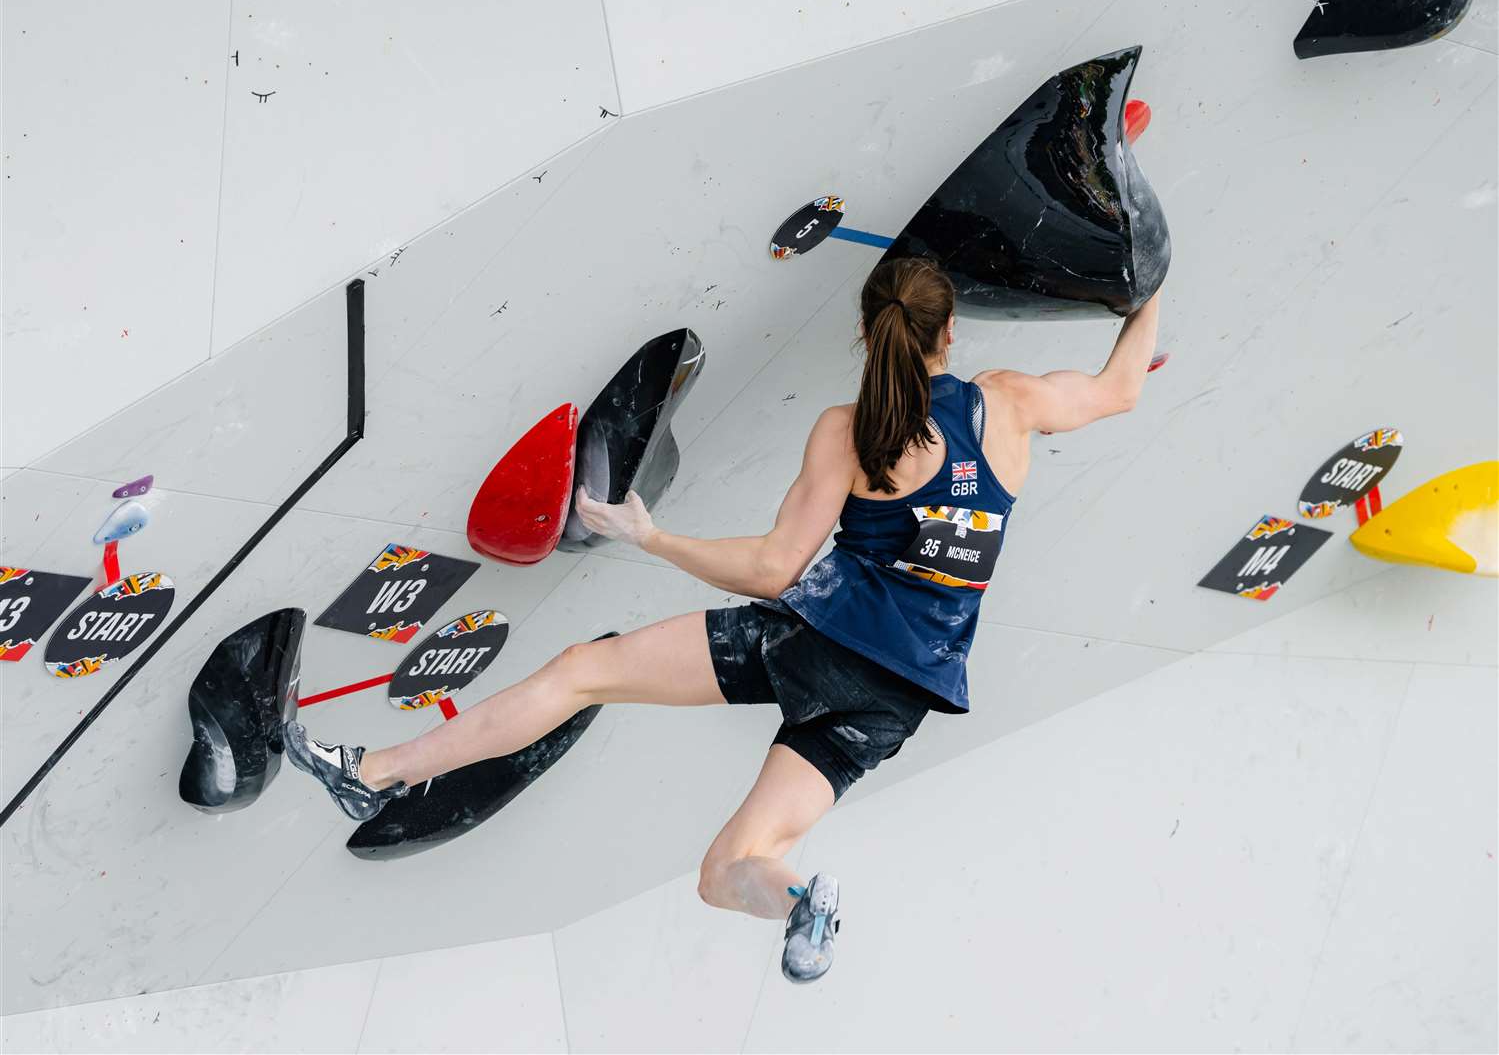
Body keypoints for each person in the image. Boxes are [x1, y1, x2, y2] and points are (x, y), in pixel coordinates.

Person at [284, 258, 1161, 984]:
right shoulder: (1007, 404)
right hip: (899, 698)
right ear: (952, 332)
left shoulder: (850, 432)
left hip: (813, 644)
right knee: (724, 874)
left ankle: (377, 768)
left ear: (867, 334)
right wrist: (1147, 275)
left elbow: (775, 567)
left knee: (583, 673)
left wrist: (654, 536)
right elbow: (1121, 388)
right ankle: (796, 901)